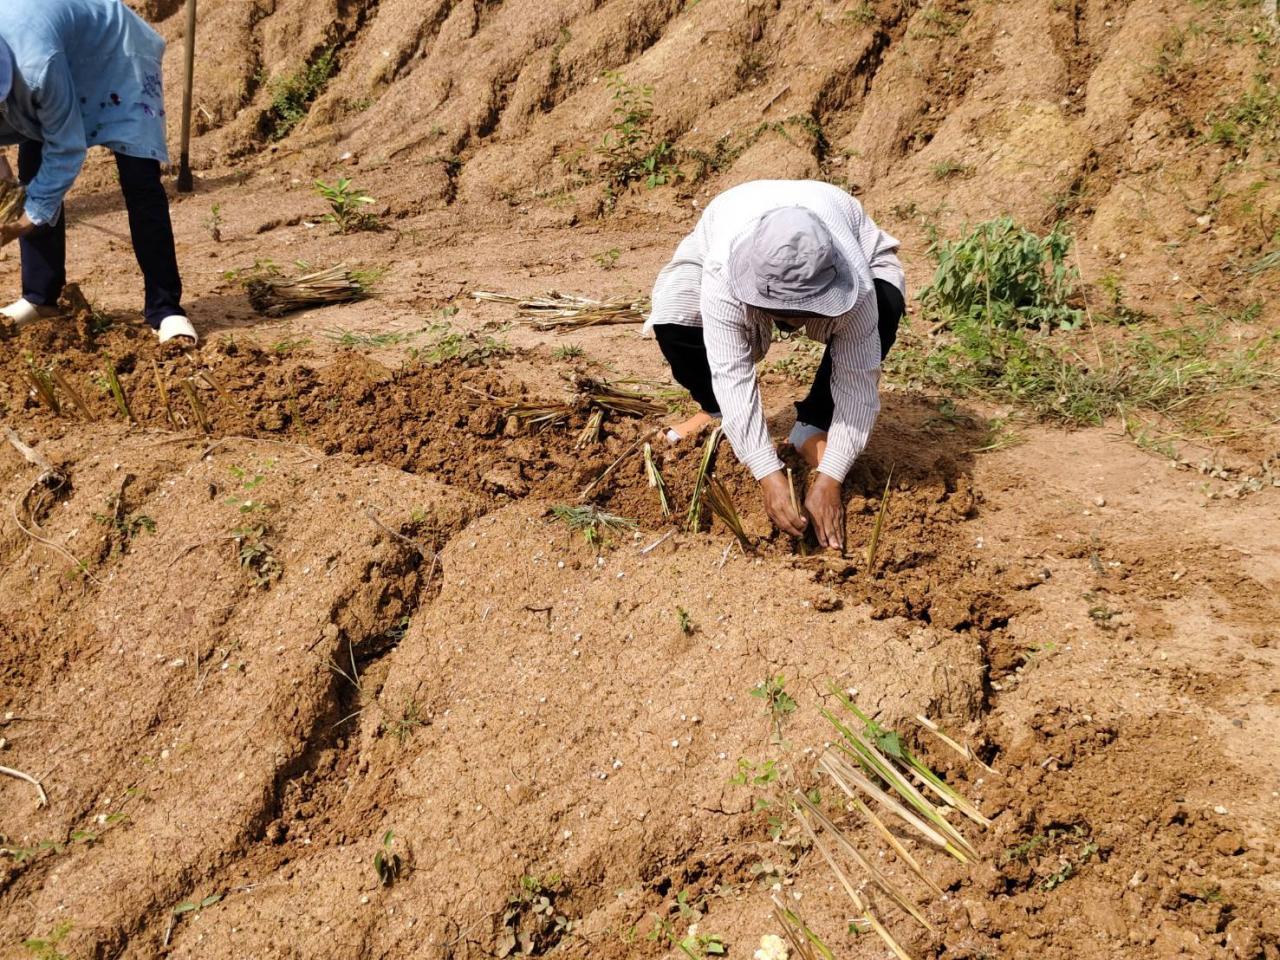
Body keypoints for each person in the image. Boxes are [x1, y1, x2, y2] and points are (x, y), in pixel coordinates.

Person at [646, 179, 905, 550]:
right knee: (675, 317)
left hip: (844, 251)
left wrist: (831, 477)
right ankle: (716, 414)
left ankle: (813, 426)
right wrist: (767, 474)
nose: (794, 323)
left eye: (802, 312)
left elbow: (857, 381)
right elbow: (731, 373)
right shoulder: (723, 271)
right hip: (730, 232)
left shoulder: (856, 283)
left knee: (886, 304)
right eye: (784, 312)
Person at [0, 0, 196, 345]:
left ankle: (166, 309)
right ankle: (40, 298)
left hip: (115, 53)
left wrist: (22, 224)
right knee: (33, 173)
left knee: (140, 180)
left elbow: (67, 147)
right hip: (58, 47)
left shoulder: (36, 69)